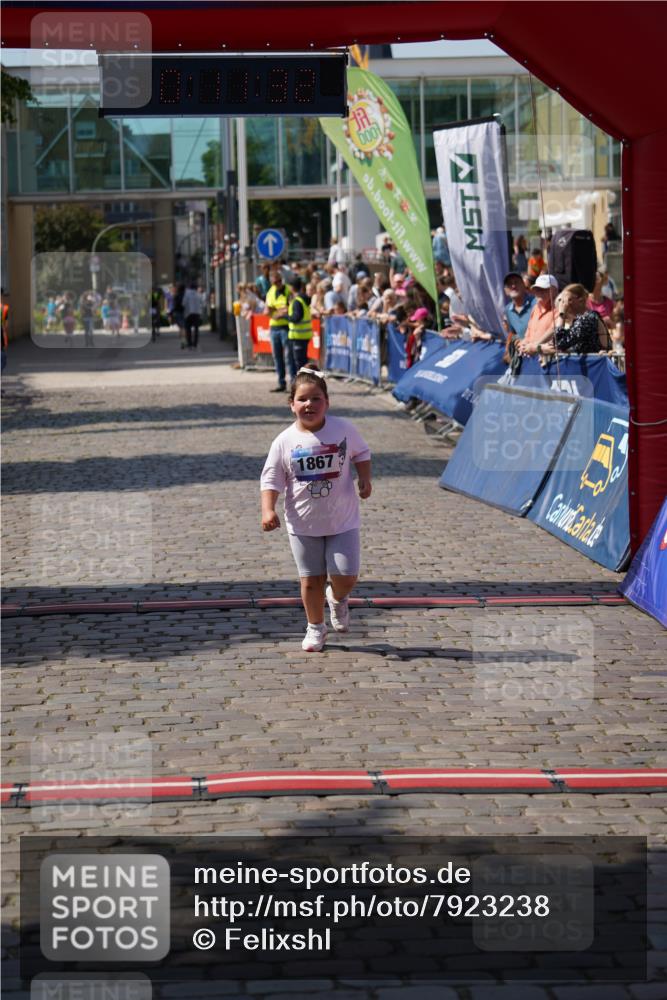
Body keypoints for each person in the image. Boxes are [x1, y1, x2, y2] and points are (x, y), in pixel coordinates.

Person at [260, 364, 372, 652]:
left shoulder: (343, 429)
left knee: (346, 577)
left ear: (327, 402)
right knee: (310, 581)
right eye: (302, 399)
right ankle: (315, 628)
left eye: (316, 399)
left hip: (342, 520)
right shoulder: (284, 441)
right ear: (291, 405)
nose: (309, 405)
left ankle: (337, 598)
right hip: (303, 524)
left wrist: (365, 479)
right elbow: (271, 477)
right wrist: (268, 510)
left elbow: (362, 452)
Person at [517, 274, 559, 355]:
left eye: (544, 289)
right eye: (537, 289)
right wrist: (523, 345)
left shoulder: (559, 309)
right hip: (531, 359)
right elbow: (528, 334)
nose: (539, 292)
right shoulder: (535, 308)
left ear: (555, 291)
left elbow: (554, 331)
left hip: (549, 360)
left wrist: (534, 347)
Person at [265, 270, 293, 392]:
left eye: (278, 282)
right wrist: (279, 312)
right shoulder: (270, 292)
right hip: (274, 327)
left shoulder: (288, 290)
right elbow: (268, 311)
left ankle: (293, 383)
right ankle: (281, 383)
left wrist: (278, 313)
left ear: (281, 280)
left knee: (288, 357)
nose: (276, 284)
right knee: (277, 357)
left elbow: (289, 308)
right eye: (274, 282)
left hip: (286, 327)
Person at [286, 276, 313, 370]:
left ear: (292, 287)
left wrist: (285, 316)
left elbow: (296, 317)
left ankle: (302, 383)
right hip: (303, 335)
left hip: (298, 336)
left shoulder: (297, 301)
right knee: (302, 362)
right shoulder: (303, 299)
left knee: (299, 364)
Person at [503, 271, 535, 339]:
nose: (513, 286)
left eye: (516, 282)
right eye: (509, 284)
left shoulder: (536, 302)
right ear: (505, 291)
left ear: (524, 285)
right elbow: (514, 333)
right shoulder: (507, 310)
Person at [183, 282, 205, 349]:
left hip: (188, 314)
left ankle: (189, 343)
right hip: (197, 313)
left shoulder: (186, 294)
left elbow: (183, 303)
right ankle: (195, 343)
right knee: (196, 329)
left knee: (188, 329)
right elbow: (202, 303)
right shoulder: (198, 294)